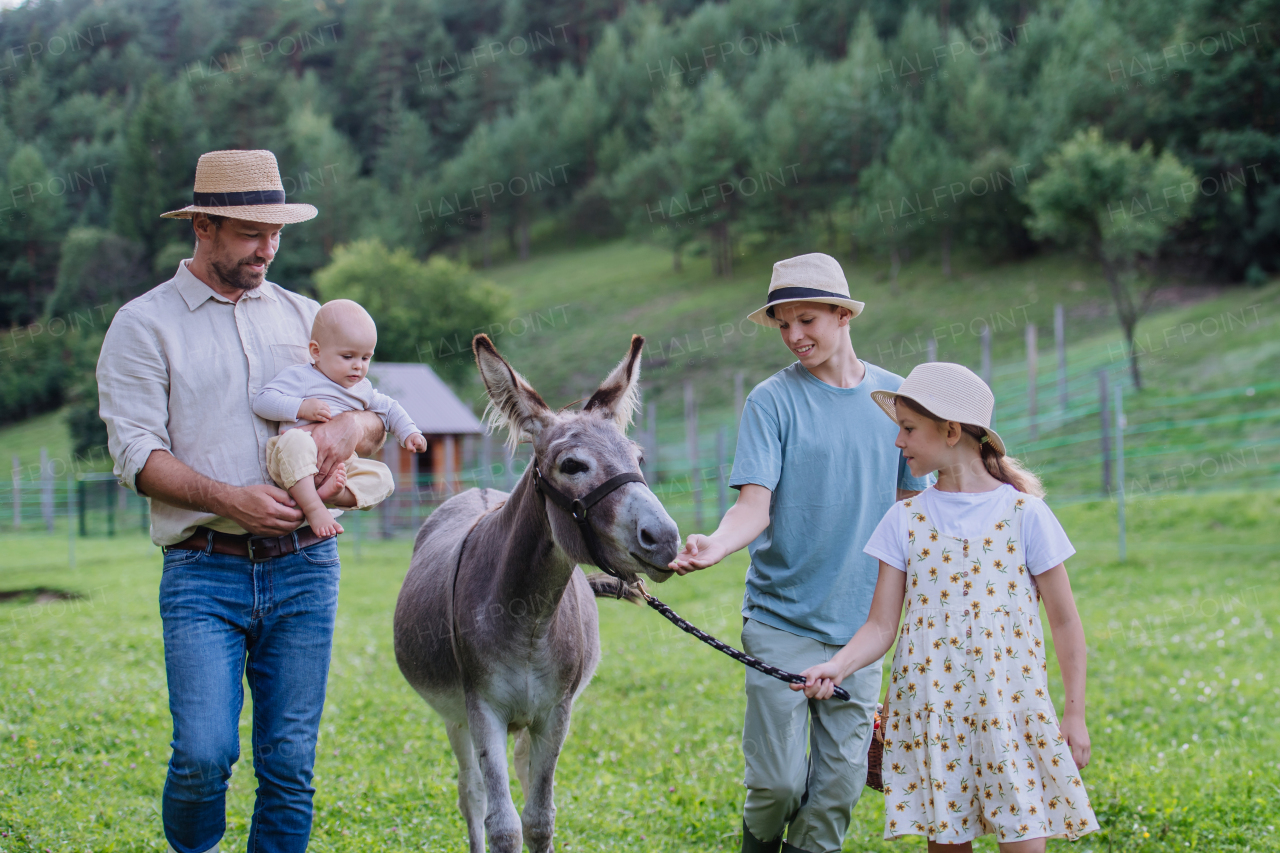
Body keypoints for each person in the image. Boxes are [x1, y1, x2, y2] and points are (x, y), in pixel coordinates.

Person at [97, 149, 387, 853]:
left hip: (305, 568)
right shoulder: (143, 325)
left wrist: (351, 423)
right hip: (203, 570)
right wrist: (233, 498)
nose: (268, 247)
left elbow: (375, 417)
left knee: (289, 764)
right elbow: (136, 455)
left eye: (276, 232)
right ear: (203, 224)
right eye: (251, 232)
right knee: (202, 755)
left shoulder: (308, 316)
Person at [668, 252, 933, 853]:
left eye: (806, 320)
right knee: (778, 785)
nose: (793, 336)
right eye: (783, 324)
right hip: (780, 621)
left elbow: (910, 511)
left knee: (836, 792)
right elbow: (752, 508)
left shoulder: (895, 397)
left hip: (861, 630)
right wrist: (716, 543)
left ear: (843, 315)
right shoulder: (772, 401)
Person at [794, 362, 1098, 851]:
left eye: (909, 429)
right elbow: (880, 625)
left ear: (951, 431)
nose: (899, 443)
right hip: (934, 713)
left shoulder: (1026, 515)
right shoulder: (904, 519)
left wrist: (1074, 715)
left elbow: (1065, 622)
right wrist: (838, 664)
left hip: (1011, 710)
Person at [253, 298, 427, 536]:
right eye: (348, 357)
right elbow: (263, 400)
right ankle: (314, 507)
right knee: (296, 440)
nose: (358, 366)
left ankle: (335, 494)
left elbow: (389, 407)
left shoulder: (361, 388)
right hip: (291, 461)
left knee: (383, 477)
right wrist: (301, 407)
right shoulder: (302, 377)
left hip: (339, 465)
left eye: (365, 358)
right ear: (316, 351)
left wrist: (410, 432)